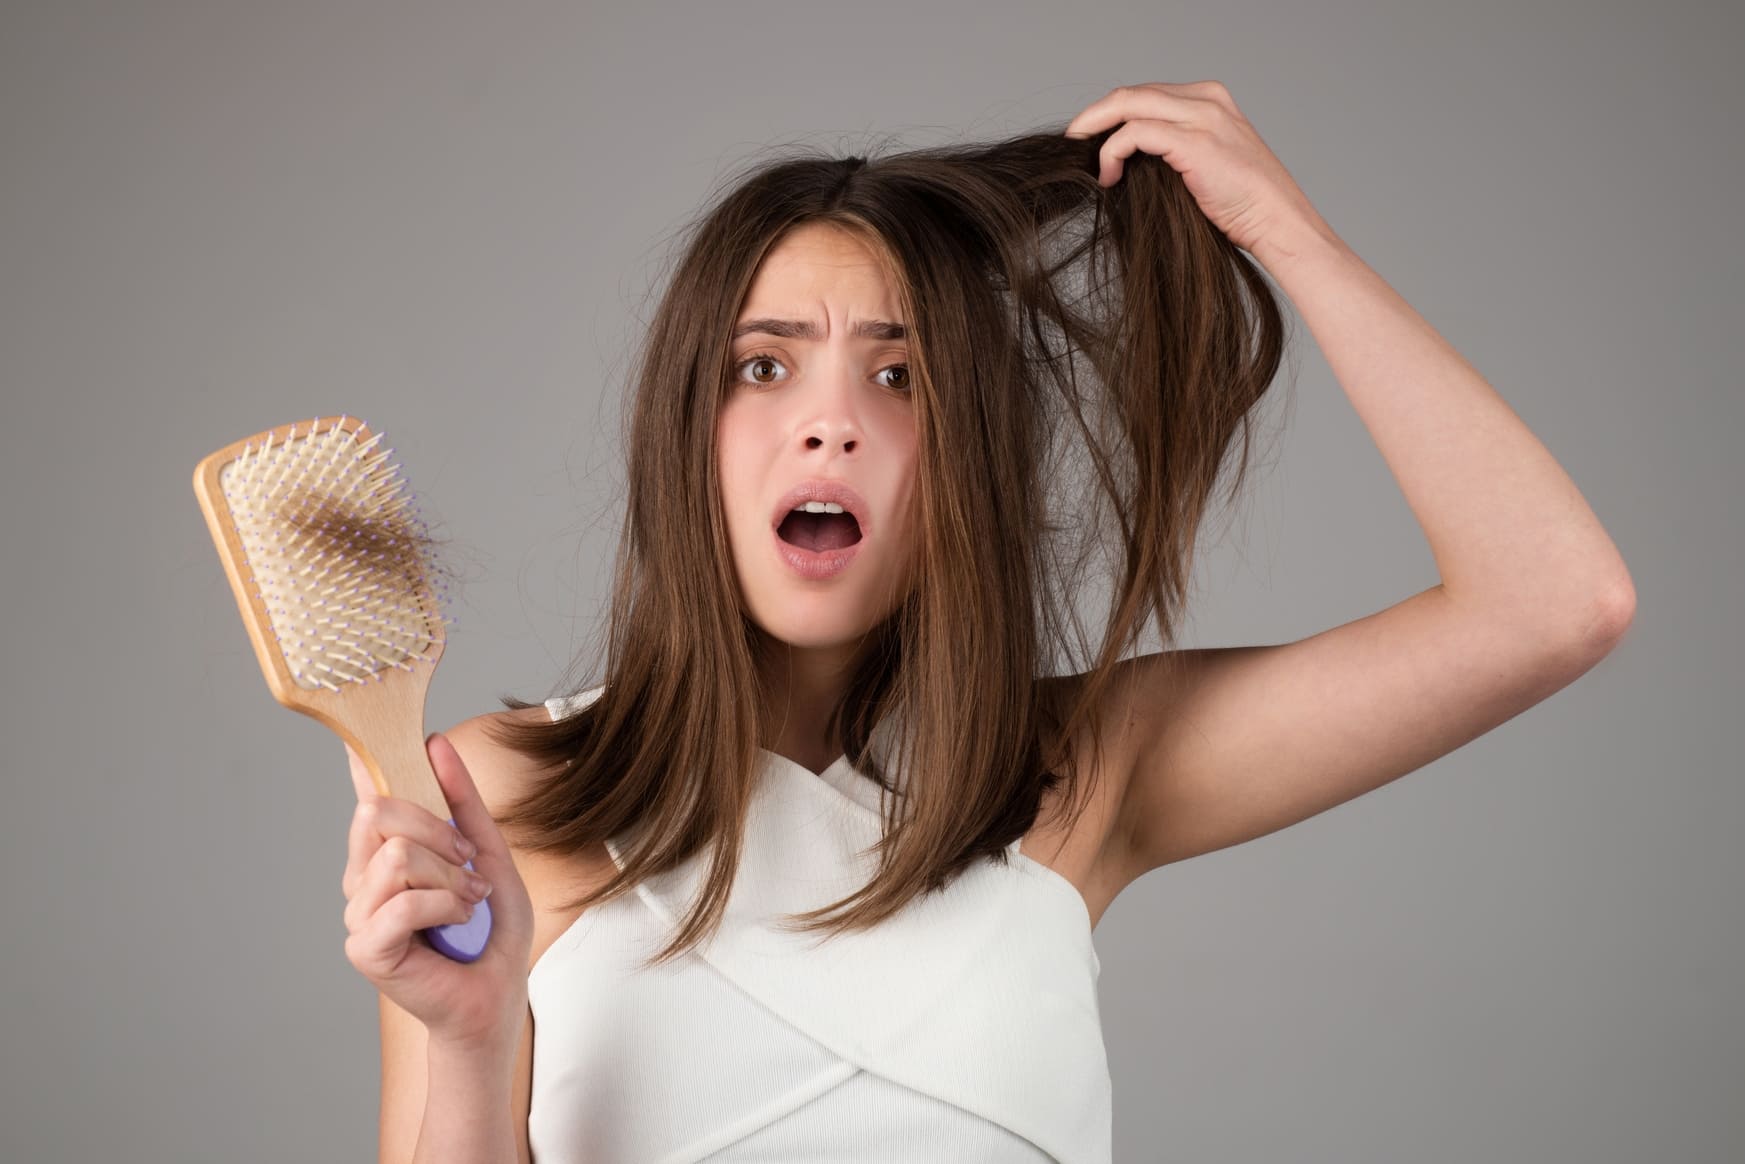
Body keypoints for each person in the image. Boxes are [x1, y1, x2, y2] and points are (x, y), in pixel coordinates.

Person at [338, 81, 1635, 1163]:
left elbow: (1554, 602)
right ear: (686, 434)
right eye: (764, 364)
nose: (830, 417)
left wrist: (1290, 237)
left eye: (897, 375)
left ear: (962, 455)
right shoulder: (497, 801)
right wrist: (468, 1034)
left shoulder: (1081, 777)